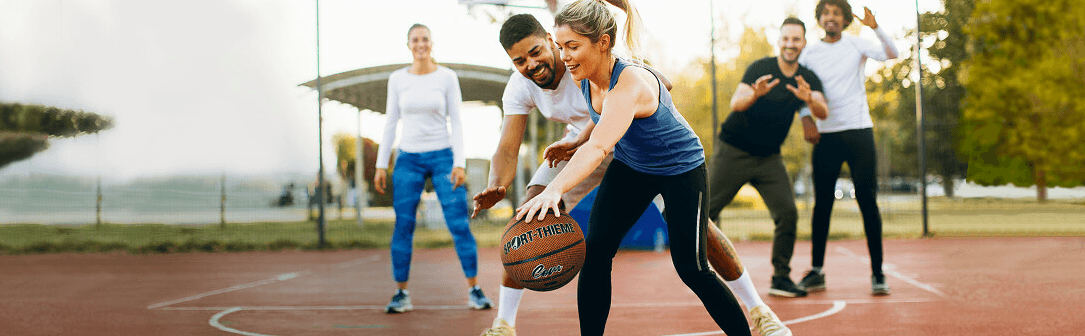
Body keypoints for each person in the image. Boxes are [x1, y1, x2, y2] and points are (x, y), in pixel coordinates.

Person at [474, 12, 790, 336]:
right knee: (597, 250)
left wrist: (554, 189)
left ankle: (754, 319)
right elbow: (597, 121)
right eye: (561, 46)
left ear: (603, 44)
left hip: (679, 169)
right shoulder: (583, 73)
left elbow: (600, 146)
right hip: (632, 164)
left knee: (692, 268)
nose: (564, 55)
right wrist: (574, 140)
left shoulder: (629, 82)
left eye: (571, 46)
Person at [373, 23, 493, 314]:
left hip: (443, 157)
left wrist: (459, 162)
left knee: (458, 224)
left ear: (431, 43)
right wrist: (380, 164)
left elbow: (457, 121)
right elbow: (390, 122)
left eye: (425, 39)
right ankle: (401, 293)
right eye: (415, 40)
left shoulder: (447, 77)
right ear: (408, 44)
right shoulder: (397, 79)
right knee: (404, 225)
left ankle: (474, 289)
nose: (420, 44)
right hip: (408, 158)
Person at [709, 17, 829, 299]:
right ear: (779, 41)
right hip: (734, 151)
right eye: (786, 39)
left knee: (787, 212)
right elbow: (736, 103)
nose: (790, 44)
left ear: (803, 43)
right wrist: (755, 94)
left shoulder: (807, 79)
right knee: (705, 212)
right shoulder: (761, 68)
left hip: (768, 159)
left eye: (796, 40)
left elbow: (822, 111)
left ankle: (781, 277)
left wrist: (809, 99)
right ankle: (702, 269)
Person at [795, 0, 899, 296]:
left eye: (837, 13)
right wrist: (806, 118)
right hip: (825, 136)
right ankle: (817, 271)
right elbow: (800, 89)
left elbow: (893, 53)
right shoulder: (810, 52)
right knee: (822, 205)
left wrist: (876, 27)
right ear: (820, 18)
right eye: (826, 13)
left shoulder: (857, 44)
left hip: (858, 132)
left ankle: (878, 273)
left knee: (868, 201)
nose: (831, 18)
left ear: (844, 19)